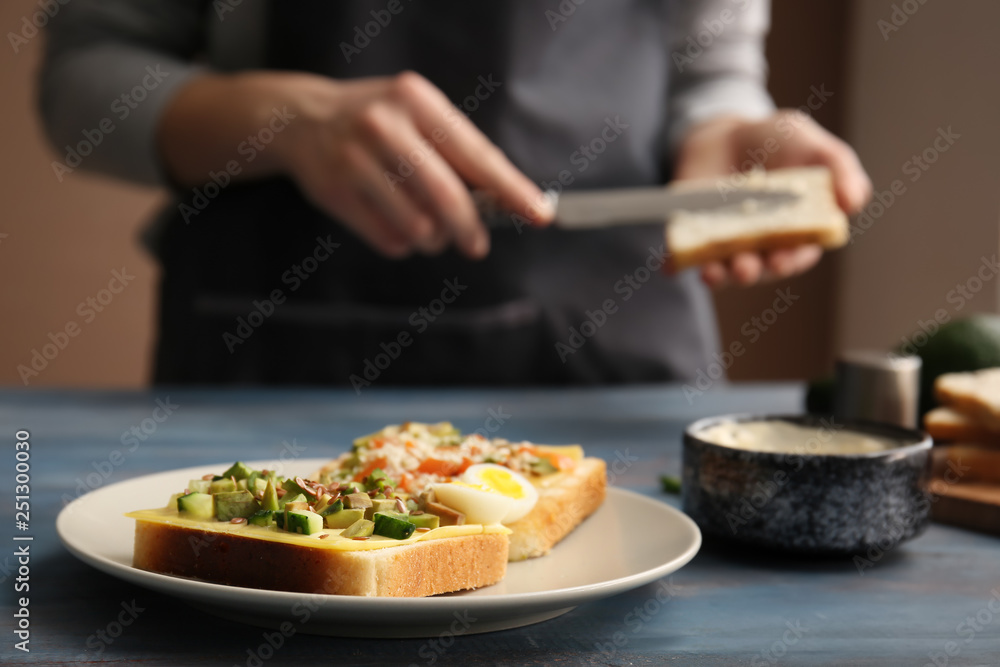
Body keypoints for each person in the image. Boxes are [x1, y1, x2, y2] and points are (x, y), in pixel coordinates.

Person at [39, 1, 871, 386]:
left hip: (612, 361)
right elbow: (82, 80)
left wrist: (725, 131)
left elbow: (710, 68)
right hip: (272, 349)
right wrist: (291, 119)